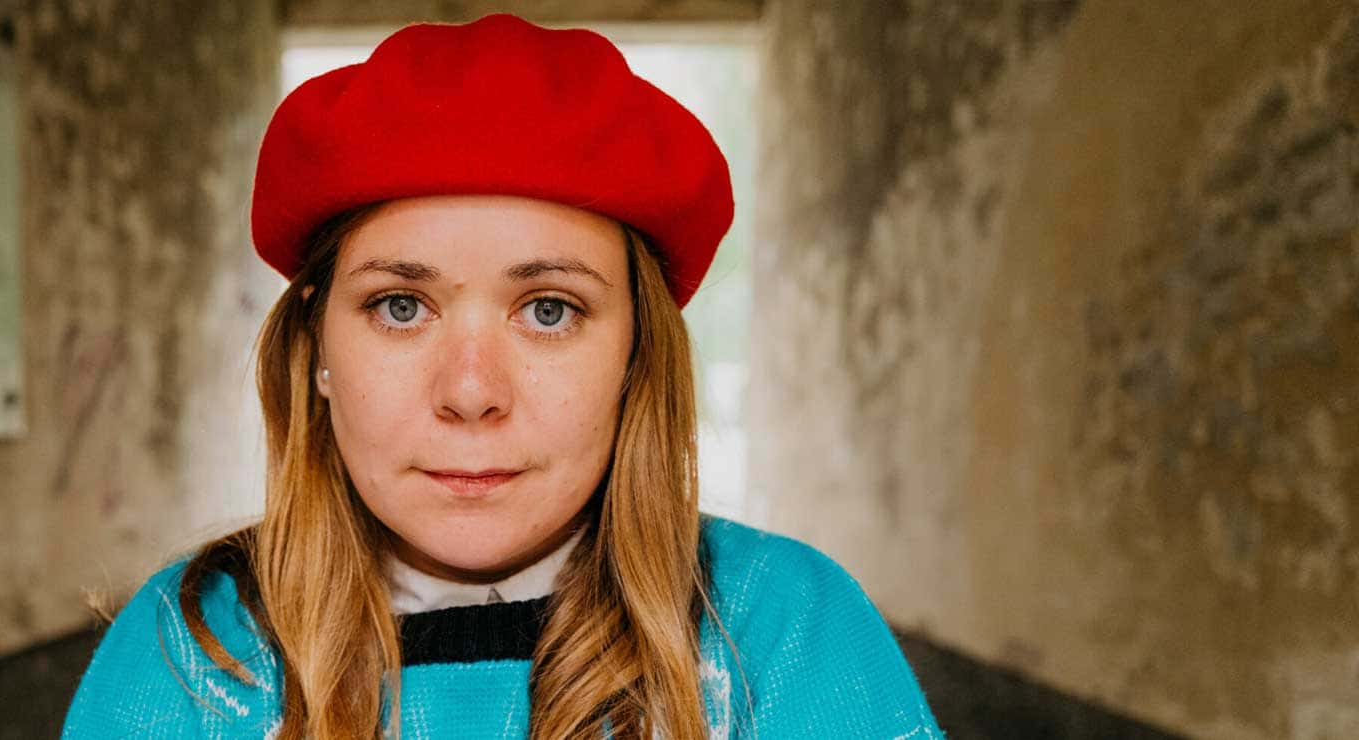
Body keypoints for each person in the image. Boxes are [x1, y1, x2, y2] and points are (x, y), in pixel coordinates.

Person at [61, 13, 941, 739]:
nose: (472, 392)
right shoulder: (190, 651)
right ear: (317, 351)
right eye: (400, 306)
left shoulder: (786, 631)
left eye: (549, 309)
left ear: (637, 358)